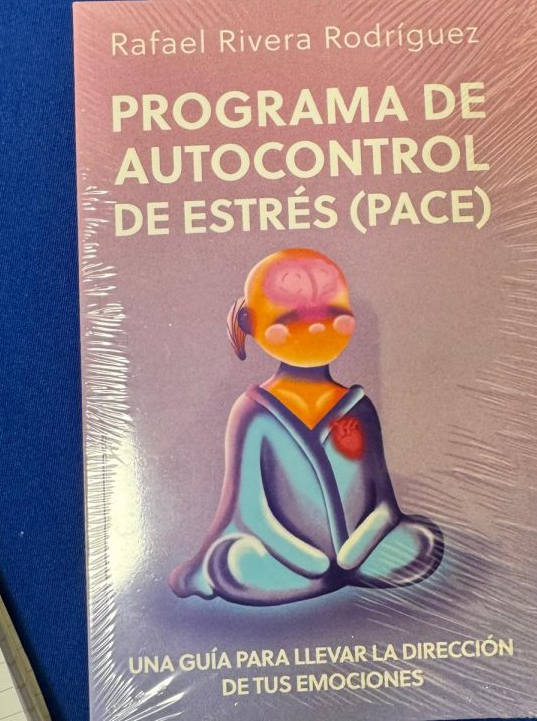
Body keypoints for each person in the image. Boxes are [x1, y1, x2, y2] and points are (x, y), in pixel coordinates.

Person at [169, 248, 443, 606]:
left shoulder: (358, 408)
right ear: (251, 325)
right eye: (292, 319)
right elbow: (251, 512)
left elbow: (383, 503)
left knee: (423, 541)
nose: (316, 328)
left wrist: (353, 552)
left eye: (333, 315)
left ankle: (333, 577)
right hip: (287, 557)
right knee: (234, 563)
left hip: (358, 552)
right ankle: (324, 579)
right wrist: (309, 560)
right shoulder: (253, 412)